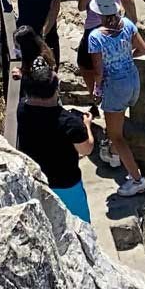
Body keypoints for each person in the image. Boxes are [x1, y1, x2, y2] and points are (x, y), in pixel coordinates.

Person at [82, 0, 145, 196]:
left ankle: (137, 180)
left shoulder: (95, 37)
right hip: (132, 79)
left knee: (115, 135)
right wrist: (125, 58)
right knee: (118, 125)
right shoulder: (127, 24)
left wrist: (96, 91)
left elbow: (98, 71)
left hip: (115, 86)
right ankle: (115, 155)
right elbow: (144, 49)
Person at [14, 58, 94, 221]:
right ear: (56, 89)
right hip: (66, 184)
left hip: (36, 182)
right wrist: (87, 126)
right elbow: (86, 149)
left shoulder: (21, 110)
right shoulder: (71, 123)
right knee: (80, 227)